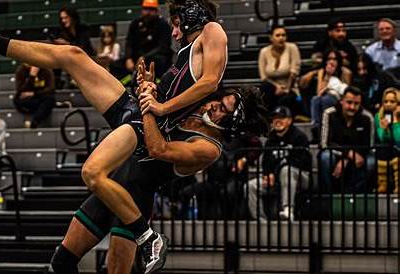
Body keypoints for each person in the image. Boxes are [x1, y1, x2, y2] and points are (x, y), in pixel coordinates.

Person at [0, 0, 232, 272]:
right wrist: (148, 90)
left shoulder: (212, 31)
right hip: (139, 113)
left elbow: (210, 83)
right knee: (73, 55)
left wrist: (159, 105)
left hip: (145, 128)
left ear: (190, 16)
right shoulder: (189, 50)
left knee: (91, 172)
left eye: (175, 25)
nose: (173, 33)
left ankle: (149, 238)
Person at [51, 84, 268, 274]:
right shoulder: (190, 109)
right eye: (218, 100)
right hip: (111, 189)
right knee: (62, 261)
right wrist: (148, 87)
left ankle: (149, 239)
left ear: (231, 123)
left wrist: (148, 104)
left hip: (135, 201)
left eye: (223, 109)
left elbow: (157, 148)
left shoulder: (209, 148)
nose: (213, 106)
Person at [246, 106, 311, 221]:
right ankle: (260, 221)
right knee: (250, 186)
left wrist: (275, 171)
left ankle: (288, 210)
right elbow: (266, 162)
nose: (277, 120)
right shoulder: (270, 140)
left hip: (300, 178)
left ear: (290, 120)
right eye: (275, 118)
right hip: (277, 179)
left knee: (287, 170)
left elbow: (303, 162)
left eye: (282, 117)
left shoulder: (299, 137)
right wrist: (267, 174)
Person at [319, 86, 375, 194]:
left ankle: (351, 196)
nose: (352, 107)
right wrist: (347, 154)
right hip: (336, 152)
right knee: (325, 157)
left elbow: (369, 146)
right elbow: (324, 143)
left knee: (371, 162)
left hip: (358, 154)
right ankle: (328, 197)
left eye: (356, 103)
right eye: (349, 102)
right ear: (341, 101)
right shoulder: (329, 114)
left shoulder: (367, 117)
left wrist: (347, 159)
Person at [299, 49, 352, 141]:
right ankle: (316, 129)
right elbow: (319, 92)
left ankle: (327, 131)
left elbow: (347, 93)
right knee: (315, 99)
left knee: (326, 100)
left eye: (334, 59)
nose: (332, 62)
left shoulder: (346, 72)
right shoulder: (322, 72)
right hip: (323, 97)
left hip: (339, 100)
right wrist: (327, 75)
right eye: (329, 59)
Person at [121, 0, 172, 79]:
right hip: (136, 56)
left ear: (156, 11)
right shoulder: (135, 23)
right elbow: (129, 42)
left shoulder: (163, 24)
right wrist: (128, 58)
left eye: (151, 10)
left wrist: (144, 57)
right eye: (146, 9)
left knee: (160, 61)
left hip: (154, 56)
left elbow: (163, 47)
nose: (148, 12)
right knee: (115, 65)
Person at [258, 25, 302, 116]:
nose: (281, 38)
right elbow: (263, 77)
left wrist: (286, 89)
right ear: (271, 38)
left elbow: (294, 72)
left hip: (290, 87)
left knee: (285, 99)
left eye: (283, 35)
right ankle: (266, 120)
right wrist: (277, 87)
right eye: (278, 35)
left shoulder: (292, 48)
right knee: (265, 88)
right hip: (271, 87)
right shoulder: (264, 52)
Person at [52, 6, 96, 88]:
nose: (63, 21)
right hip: (70, 60)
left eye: (66, 18)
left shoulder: (83, 29)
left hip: (86, 56)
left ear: (72, 17)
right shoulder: (61, 32)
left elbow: (83, 47)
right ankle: (57, 84)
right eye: (62, 18)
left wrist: (68, 44)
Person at [374, 88, 399, 193]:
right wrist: (384, 129)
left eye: (392, 101)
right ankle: (382, 184)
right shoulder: (378, 116)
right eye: (386, 101)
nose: (388, 104)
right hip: (386, 151)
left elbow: (398, 140)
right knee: (383, 149)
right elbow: (381, 138)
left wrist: (396, 121)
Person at [14, 63, 55, 128]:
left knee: (49, 99)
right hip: (29, 99)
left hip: (41, 96)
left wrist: (34, 93)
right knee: (17, 99)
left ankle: (35, 121)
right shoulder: (21, 70)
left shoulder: (46, 69)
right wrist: (32, 76)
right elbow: (20, 90)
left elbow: (50, 88)